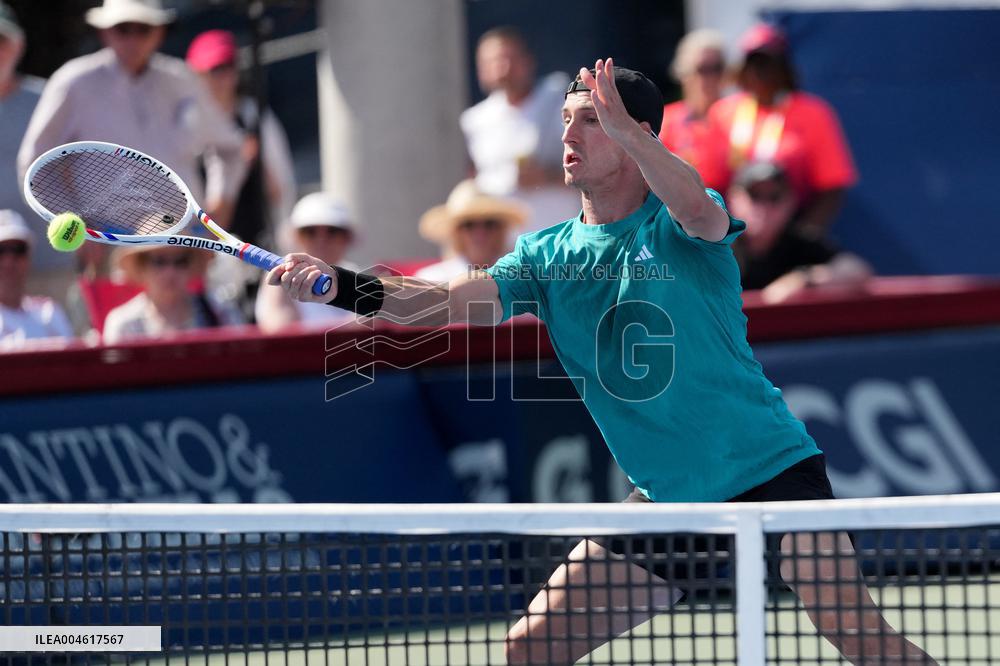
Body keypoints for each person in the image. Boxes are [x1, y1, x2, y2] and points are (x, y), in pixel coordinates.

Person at [267, 59, 935, 665]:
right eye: (566, 119)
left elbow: (695, 205)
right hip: (669, 502)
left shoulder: (681, 223)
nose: (569, 133)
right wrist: (340, 287)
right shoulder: (544, 257)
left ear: (635, 133)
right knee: (529, 650)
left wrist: (631, 134)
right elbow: (438, 306)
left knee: (857, 634)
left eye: (591, 119)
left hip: (772, 472)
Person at [16, 0, 246, 228]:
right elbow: (35, 165)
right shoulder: (73, 82)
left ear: (160, 32)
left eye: (143, 29)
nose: (133, 39)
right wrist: (75, 225)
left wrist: (221, 202)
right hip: (108, 241)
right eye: (123, 29)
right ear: (105, 32)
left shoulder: (182, 80)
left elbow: (230, 148)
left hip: (187, 240)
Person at [709, 23, 857, 233]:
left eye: (768, 64)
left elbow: (832, 186)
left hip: (792, 230)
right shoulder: (723, 112)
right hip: (731, 233)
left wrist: (804, 236)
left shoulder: (813, 112)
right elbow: (709, 182)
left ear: (784, 69)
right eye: (753, 63)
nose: (760, 72)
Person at [461, 26, 579, 233]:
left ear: (528, 61)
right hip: (509, 244)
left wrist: (547, 177)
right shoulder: (474, 121)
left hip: (564, 235)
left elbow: (597, 167)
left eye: (509, 59)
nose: (503, 69)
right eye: (493, 62)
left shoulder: (562, 99)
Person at [186, 29, 296, 248]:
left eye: (227, 67)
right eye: (213, 70)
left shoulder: (255, 117)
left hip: (253, 244)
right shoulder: (183, 123)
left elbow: (281, 191)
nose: (221, 77)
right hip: (198, 247)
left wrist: (253, 162)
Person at [0, 2, 75, 302]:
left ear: (18, 46)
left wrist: (89, 233)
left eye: (1, 40)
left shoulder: (47, 98)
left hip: (51, 262)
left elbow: (76, 169)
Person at [728, 161, 872, 303]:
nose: (764, 207)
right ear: (733, 198)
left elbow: (856, 270)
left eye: (774, 197)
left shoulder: (799, 242)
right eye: (754, 195)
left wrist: (804, 279)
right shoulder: (719, 242)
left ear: (790, 202)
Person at [254, 193, 357, 332]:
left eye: (333, 231)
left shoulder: (356, 273)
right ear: (296, 237)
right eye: (310, 231)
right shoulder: (282, 273)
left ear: (346, 238)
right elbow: (282, 332)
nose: (321, 240)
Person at [103, 246, 243, 344]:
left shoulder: (220, 312)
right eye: (159, 261)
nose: (170, 272)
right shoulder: (124, 323)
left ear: (191, 265)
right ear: (142, 266)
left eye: (181, 261)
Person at [659, 29, 731, 192]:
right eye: (703, 69)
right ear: (684, 74)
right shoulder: (666, 120)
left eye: (717, 68)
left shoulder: (740, 116)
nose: (711, 77)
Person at [415, 179, 526, 283]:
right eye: (469, 224)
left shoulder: (521, 279)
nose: (480, 233)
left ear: (501, 230)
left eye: (489, 223)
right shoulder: (431, 280)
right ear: (456, 233)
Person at [0, 210, 74, 349]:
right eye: (1, 250)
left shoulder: (49, 313)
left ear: (28, 257)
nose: (8, 261)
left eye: (18, 249)